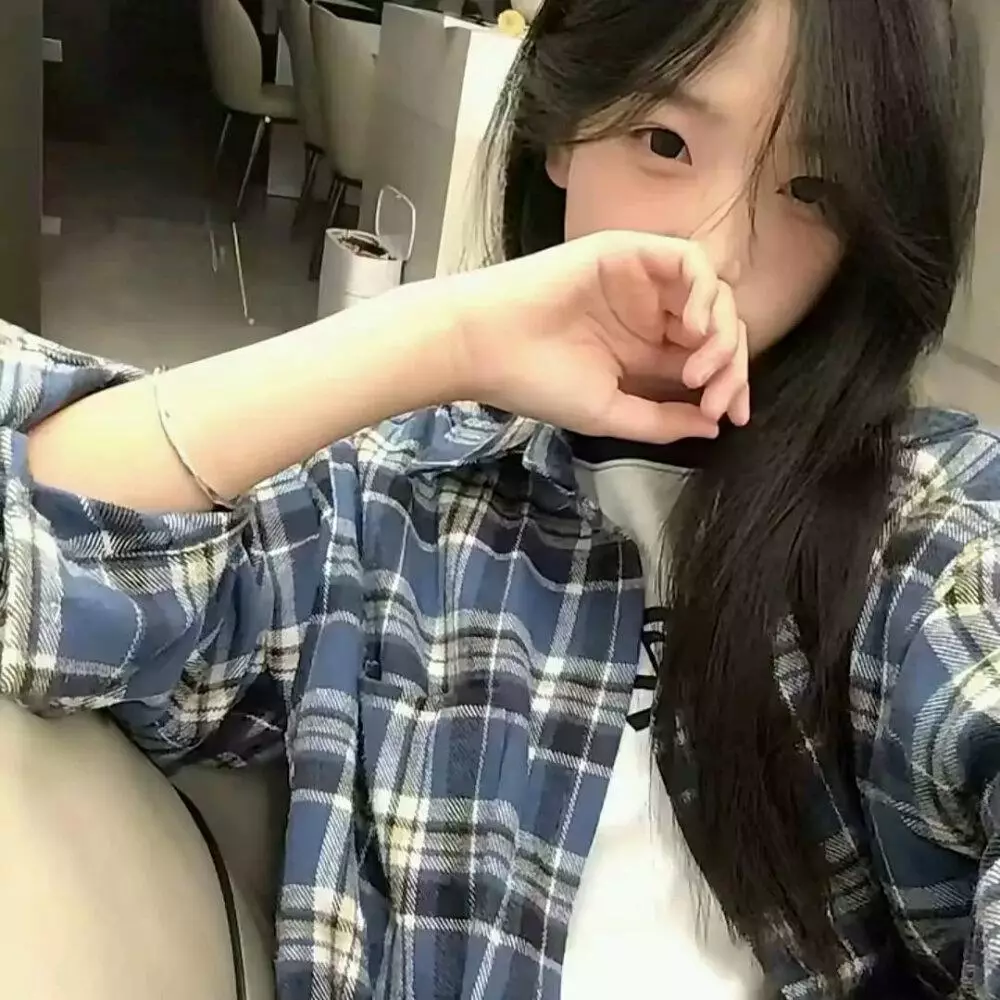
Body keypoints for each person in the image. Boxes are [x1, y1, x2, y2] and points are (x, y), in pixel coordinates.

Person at [0, 0, 994, 996]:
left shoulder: (922, 524)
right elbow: (37, 566)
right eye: (665, 142)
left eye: (811, 190)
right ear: (563, 126)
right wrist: (444, 336)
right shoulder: (391, 500)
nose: (716, 254)